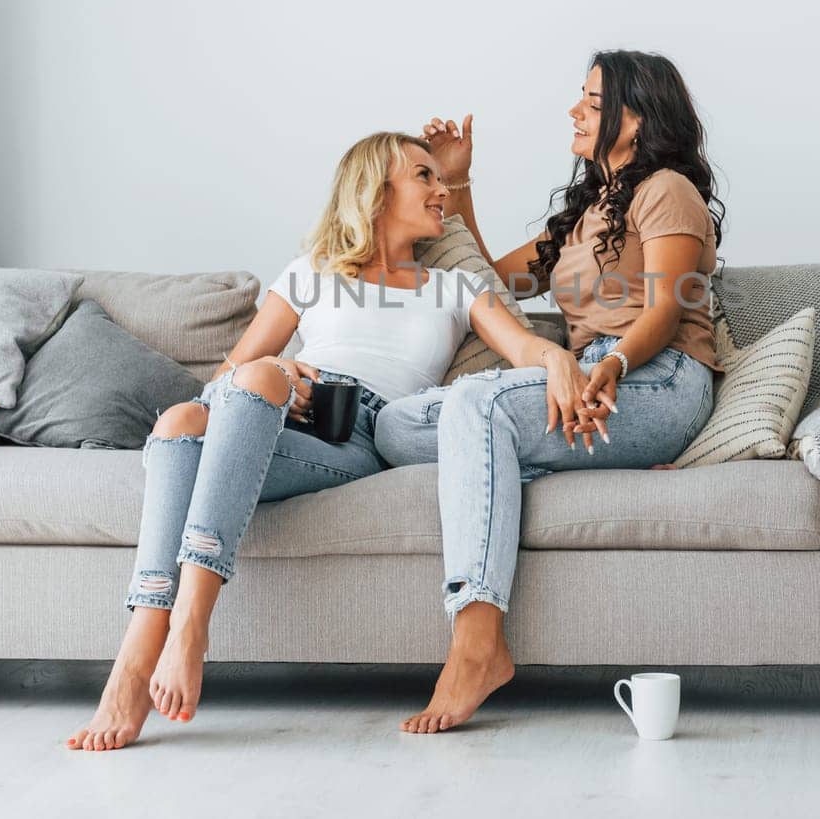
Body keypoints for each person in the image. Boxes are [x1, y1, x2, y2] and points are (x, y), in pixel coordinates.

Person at [66, 131, 563, 750]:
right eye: (425, 178)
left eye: (441, 179)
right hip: (271, 412)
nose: (442, 193)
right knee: (182, 420)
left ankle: (183, 630)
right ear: (376, 190)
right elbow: (219, 386)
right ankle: (143, 649)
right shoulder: (308, 276)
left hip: (355, 433)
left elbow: (523, 349)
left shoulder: (455, 289)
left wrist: (568, 364)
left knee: (229, 398)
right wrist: (285, 375)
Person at [374, 50, 727, 734]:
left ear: (637, 118)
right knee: (395, 425)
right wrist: (459, 180)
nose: (574, 110)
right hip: (589, 379)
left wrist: (615, 365)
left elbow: (663, 309)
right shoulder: (590, 210)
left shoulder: (667, 191)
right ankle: (519, 455)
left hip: (657, 379)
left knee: (477, 404)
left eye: (593, 103)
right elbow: (495, 282)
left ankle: (478, 644)